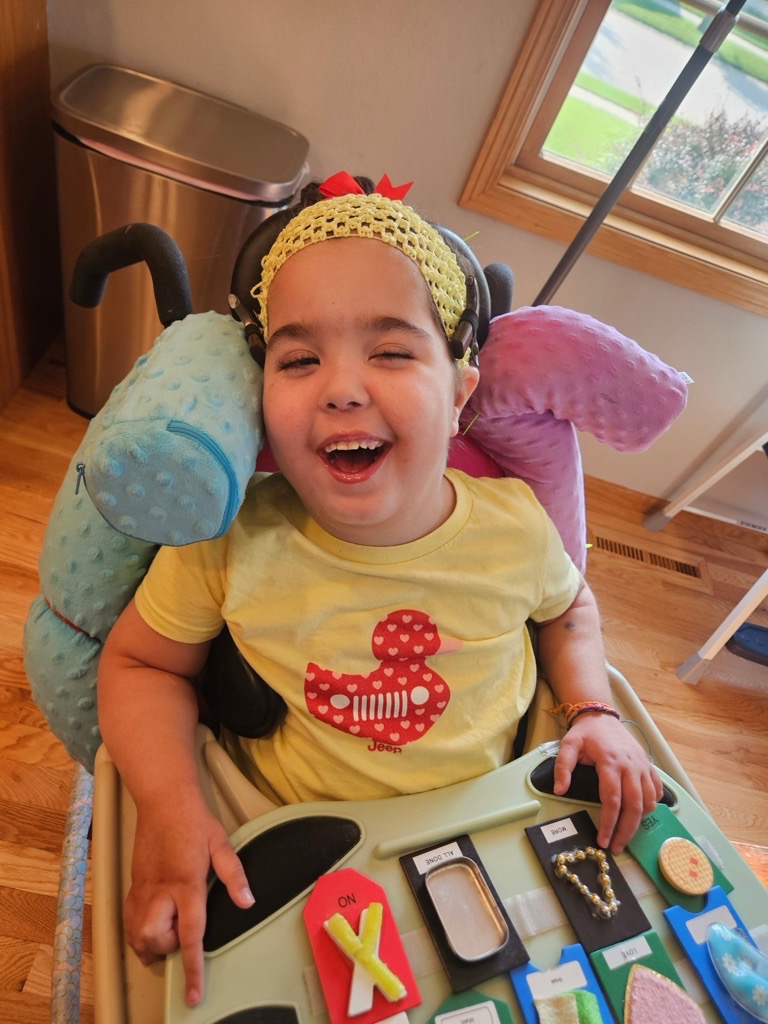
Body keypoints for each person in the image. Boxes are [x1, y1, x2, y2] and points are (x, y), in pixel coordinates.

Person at [98, 172, 662, 1008]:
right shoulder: (233, 541)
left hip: (493, 826)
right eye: (298, 358)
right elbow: (141, 667)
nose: (342, 386)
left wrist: (593, 710)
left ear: (462, 393)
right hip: (297, 844)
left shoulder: (513, 525)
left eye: (392, 350)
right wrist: (170, 812)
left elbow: (569, 609)